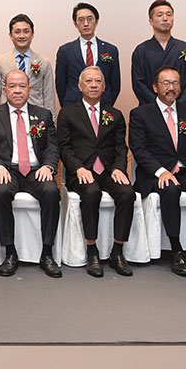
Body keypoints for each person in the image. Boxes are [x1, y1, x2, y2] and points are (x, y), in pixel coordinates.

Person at [129, 66, 186, 280]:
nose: (171, 88)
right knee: (170, 189)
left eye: (175, 83)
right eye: (166, 83)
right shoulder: (140, 114)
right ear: (155, 87)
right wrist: (161, 171)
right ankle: (177, 250)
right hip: (155, 174)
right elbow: (139, 150)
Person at [0, 70, 61, 278]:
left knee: (51, 192)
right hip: (8, 170)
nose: (17, 90)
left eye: (22, 86)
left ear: (29, 89)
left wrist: (48, 166)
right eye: (12, 86)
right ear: (5, 90)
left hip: (36, 171)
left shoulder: (43, 115)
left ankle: (47, 253)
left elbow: (52, 147)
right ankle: (10, 252)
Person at [57, 67, 134, 277]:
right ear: (80, 86)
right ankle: (92, 250)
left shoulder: (115, 114)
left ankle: (117, 251)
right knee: (92, 193)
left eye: (98, 81)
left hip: (108, 171)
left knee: (127, 193)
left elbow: (121, 147)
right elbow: (64, 148)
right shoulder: (67, 113)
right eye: (88, 81)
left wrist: (118, 168)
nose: (93, 85)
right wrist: (78, 168)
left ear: (104, 86)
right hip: (81, 171)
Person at [0, 14, 57, 119]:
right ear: (10, 35)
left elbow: (49, 97)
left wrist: (51, 122)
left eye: (26, 31)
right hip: (6, 117)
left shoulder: (43, 62)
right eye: (17, 32)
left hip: (36, 117)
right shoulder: (0, 62)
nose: (21, 36)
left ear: (32, 34)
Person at [131, 0, 186, 106]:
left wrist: (177, 107)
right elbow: (139, 84)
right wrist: (158, 107)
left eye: (169, 14)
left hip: (181, 109)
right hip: (150, 109)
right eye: (160, 15)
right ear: (151, 21)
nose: (165, 18)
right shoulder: (141, 51)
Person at [55, 2, 120, 107]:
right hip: (73, 106)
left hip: (103, 104)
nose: (86, 23)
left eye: (90, 19)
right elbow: (61, 84)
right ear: (75, 23)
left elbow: (115, 84)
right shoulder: (65, 51)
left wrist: (107, 103)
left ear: (96, 21)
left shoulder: (110, 50)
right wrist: (68, 107)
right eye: (81, 20)